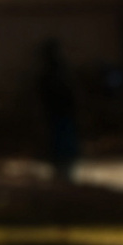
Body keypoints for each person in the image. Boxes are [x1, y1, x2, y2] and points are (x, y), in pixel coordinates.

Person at [37, 37, 83, 184]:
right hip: (59, 113)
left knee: (62, 144)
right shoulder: (56, 72)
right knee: (61, 143)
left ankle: (64, 172)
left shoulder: (56, 72)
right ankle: (63, 172)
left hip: (60, 113)